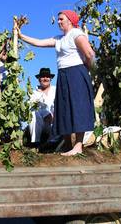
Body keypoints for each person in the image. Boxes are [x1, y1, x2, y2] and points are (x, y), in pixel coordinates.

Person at [17, 10, 95, 156]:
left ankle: (78, 147)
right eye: (58, 19)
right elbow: (39, 42)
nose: (58, 22)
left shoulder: (76, 34)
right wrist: (21, 36)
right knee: (63, 108)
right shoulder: (59, 38)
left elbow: (90, 54)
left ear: (70, 20)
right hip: (63, 74)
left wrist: (86, 69)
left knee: (77, 107)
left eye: (61, 19)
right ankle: (66, 144)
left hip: (76, 73)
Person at [28, 68, 56, 146]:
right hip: (41, 123)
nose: (45, 78)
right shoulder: (33, 93)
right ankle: (35, 142)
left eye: (47, 76)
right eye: (43, 76)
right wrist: (45, 114)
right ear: (39, 79)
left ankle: (53, 143)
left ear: (50, 78)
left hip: (56, 121)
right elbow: (32, 107)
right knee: (33, 112)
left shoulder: (56, 90)